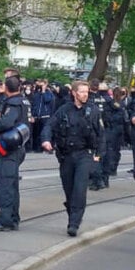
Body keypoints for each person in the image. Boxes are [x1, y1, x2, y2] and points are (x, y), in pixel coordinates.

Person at [41, 80, 104, 237]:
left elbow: (101, 136)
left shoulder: (93, 111)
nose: (85, 94)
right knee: (69, 189)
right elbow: (49, 125)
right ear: (74, 93)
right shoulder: (64, 110)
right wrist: (46, 140)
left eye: (86, 92)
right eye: (82, 92)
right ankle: (73, 213)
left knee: (79, 190)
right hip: (66, 155)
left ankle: (74, 223)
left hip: (84, 154)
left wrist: (98, 157)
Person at [0, 75, 31, 231]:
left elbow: (6, 123)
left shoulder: (13, 103)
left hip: (9, 148)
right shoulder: (24, 101)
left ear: (6, 88)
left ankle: (5, 219)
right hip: (18, 146)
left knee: (5, 185)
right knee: (12, 184)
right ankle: (13, 218)